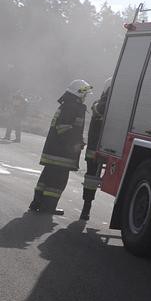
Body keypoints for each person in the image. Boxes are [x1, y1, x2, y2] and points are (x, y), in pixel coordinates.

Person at [29, 80, 92, 215]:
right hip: (62, 154)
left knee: (46, 179)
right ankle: (48, 207)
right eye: (85, 94)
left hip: (55, 152)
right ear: (79, 93)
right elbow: (63, 128)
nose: (86, 96)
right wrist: (76, 143)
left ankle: (37, 203)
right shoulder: (72, 107)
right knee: (57, 182)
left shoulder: (67, 105)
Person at [79, 79, 111, 221]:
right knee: (91, 178)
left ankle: (86, 208)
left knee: (91, 177)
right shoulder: (99, 104)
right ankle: (86, 208)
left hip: (101, 149)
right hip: (96, 150)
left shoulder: (99, 103)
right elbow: (100, 110)